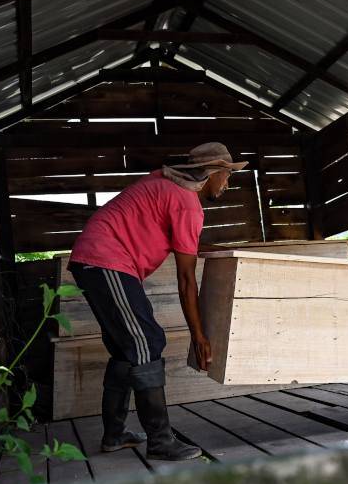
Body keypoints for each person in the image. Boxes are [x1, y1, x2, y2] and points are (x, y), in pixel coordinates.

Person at [67, 142, 248, 460]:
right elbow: (185, 280)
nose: (228, 183)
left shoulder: (166, 184)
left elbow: (183, 243)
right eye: (228, 176)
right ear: (214, 172)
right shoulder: (186, 203)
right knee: (148, 341)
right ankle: (161, 441)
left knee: (127, 350)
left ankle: (114, 435)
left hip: (95, 261)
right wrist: (199, 335)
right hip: (106, 260)